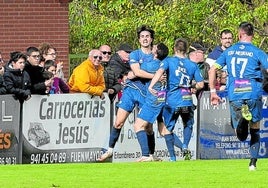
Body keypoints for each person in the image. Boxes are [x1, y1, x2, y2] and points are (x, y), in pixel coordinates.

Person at [208, 22, 268, 171]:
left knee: (240, 135)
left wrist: (213, 92)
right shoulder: (258, 51)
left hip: (235, 92)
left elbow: (212, 70)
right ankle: (253, 163)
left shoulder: (229, 51)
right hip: (253, 92)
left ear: (239, 34)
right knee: (255, 128)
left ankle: (242, 119)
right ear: (252, 35)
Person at [98, 25, 158, 162]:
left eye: (147, 36)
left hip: (147, 92)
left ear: (151, 39)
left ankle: (150, 155)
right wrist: (155, 75)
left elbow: (139, 73)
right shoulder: (135, 54)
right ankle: (110, 150)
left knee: (147, 127)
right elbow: (136, 72)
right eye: (142, 36)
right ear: (139, 39)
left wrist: (151, 75)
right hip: (131, 91)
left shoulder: (156, 57)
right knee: (118, 122)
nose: (145, 39)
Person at [149, 38, 204, 161]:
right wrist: (192, 86)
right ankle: (185, 146)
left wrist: (151, 86)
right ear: (186, 50)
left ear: (174, 48)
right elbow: (201, 85)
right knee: (188, 124)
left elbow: (159, 72)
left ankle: (173, 157)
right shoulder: (192, 65)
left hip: (172, 100)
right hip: (187, 100)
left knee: (168, 129)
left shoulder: (168, 61)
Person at [133, 43, 169, 161]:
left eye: (154, 47)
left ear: (156, 52)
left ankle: (145, 155)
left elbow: (137, 71)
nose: (152, 47)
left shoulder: (151, 65)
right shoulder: (164, 64)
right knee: (150, 127)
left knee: (138, 126)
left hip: (153, 99)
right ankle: (152, 154)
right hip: (161, 98)